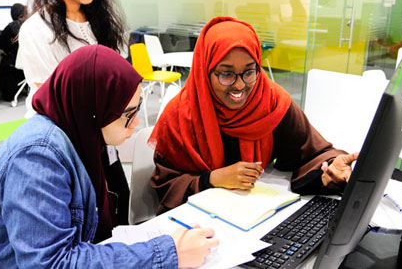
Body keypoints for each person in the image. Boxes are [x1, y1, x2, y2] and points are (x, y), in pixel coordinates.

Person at [0, 45, 218, 269]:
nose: (136, 125)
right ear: (93, 110)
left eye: (137, 108)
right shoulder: (37, 157)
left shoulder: (82, 137)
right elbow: (50, 264)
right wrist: (167, 254)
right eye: (127, 115)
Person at [149, 16, 359, 213]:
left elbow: (310, 151)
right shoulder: (179, 116)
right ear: (205, 71)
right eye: (226, 74)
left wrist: (330, 169)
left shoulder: (271, 102)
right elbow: (166, 185)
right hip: (199, 226)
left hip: (255, 216)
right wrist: (211, 179)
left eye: (249, 72)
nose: (239, 85)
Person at [19, 0, 126, 119]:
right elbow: (54, 101)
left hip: (100, 126)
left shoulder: (100, 21)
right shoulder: (37, 30)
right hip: (60, 132)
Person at [0, 3, 26, 101]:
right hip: (29, 60)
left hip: (15, 61)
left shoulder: (12, 26)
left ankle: (9, 94)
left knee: (5, 60)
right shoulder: (30, 24)